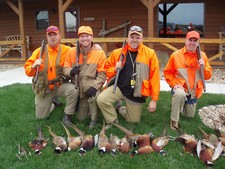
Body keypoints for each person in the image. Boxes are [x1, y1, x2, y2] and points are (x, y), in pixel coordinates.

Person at [97, 25, 160, 129]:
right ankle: (113, 121)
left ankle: (121, 108)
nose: (134, 40)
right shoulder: (117, 53)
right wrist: (115, 69)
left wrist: (154, 100)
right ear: (127, 38)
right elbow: (105, 71)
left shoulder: (150, 54)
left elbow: (155, 77)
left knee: (133, 121)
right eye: (132, 37)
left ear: (142, 38)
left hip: (136, 92)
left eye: (137, 37)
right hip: (119, 88)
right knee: (101, 99)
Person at [24, 25, 78, 125]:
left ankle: (67, 115)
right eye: (50, 35)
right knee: (41, 118)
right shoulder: (39, 51)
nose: (52, 37)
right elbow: (27, 71)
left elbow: (82, 51)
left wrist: (94, 46)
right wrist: (33, 66)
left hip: (60, 85)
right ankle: (52, 103)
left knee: (74, 90)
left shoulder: (68, 50)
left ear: (59, 36)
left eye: (55, 34)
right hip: (44, 88)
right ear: (47, 36)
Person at [163, 30, 212, 130]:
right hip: (180, 88)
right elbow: (167, 72)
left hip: (193, 92)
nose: (192, 43)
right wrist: (174, 84)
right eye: (190, 40)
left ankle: (180, 106)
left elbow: (208, 76)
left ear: (198, 43)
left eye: (195, 40)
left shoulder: (203, 56)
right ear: (185, 41)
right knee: (179, 95)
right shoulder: (176, 55)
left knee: (189, 116)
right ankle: (174, 122)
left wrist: (203, 67)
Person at [63, 26, 106, 129]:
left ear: (92, 37)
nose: (85, 39)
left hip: (90, 87)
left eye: (87, 36)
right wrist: (71, 71)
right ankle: (76, 108)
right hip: (78, 87)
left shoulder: (99, 53)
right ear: (79, 38)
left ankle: (94, 120)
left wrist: (95, 87)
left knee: (95, 95)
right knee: (81, 118)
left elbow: (102, 74)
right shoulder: (72, 52)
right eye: (82, 36)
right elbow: (65, 69)